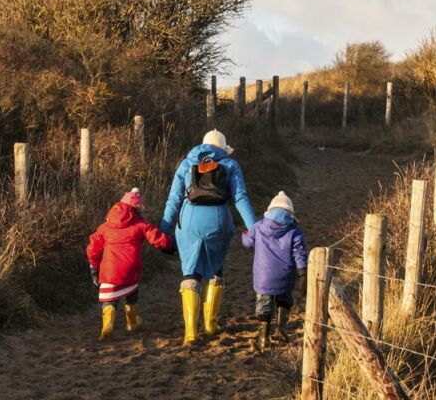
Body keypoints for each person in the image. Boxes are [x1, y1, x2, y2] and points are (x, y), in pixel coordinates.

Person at [160, 129, 257, 345]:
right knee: (216, 269)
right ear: (223, 148)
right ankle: (211, 324)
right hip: (218, 221)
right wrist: (256, 229)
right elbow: (240, 198)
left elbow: (173, 199)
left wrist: (163, 230)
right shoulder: (230, 165)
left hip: (188, 222)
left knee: (190, 273)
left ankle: (190, 333)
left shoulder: (186, 164)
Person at [87, 188, 175, 341]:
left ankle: (107, 325)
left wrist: (94, 266)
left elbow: (92, 248)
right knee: (131, 295)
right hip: (130, 268)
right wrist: (172, 245)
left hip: (109, 269)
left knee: (109, 299)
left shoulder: (105, 227)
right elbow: (158, 238)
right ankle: (132, 322)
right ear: (136, 209)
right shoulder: (140, 225)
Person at [242, 191, 307, 350]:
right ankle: (281, 330)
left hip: (264, 277)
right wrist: (303, 272)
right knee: (284, 301)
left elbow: (247, 243)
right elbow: (299, 253)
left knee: (264, 305)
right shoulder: (295, 231)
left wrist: (245, 235)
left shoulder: (258, 226)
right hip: (286, 276)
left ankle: (263, 339)